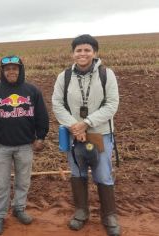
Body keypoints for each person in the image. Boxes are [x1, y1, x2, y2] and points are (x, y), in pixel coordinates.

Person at [52, 34, 121, 236]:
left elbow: (112, 105)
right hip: (74, 135)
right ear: (73, 53)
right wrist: (75, 126)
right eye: (79, 50)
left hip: (101, 134)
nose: (82, 54)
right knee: (78, 173)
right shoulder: (63, 77)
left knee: (102, 175)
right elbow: (57, 104)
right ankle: (81, 212)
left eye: (87, 50)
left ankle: (109, 215)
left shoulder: (107, 74)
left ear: (95, 53)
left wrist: (86, 124)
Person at [0, 55, 49, 235]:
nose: (11, 71)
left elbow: (42, 115)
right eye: (8, 69)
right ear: (2, 71)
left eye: (15, 68)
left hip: (26, 145)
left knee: (23, 181)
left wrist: (40, 136)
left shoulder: (32, 90)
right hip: (1, 146)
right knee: (1, 183)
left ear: (20, 70)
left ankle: (19, 208)